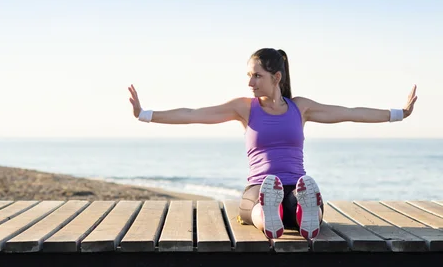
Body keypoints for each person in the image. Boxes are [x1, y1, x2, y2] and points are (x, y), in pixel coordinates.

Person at [128, 48, 418, 240]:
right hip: (265, 186)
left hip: (280, 186)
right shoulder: (246, 108)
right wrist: (146, 114)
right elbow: (193, 115)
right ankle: (285, 215)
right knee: (276, 207)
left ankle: (287, 215)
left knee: (273, 208)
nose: (251, 83)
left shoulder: (299, 107)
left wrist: (398, 114)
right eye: (249, 76)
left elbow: (350, 113)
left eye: (257, 76)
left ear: (276, 77)